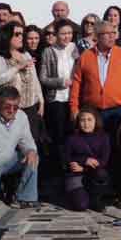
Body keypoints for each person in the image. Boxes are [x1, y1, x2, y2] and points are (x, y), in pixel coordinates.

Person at [69, 21, 121, 139]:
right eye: (107, 33)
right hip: (92, 111)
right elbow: (76, 84)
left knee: (117, 148)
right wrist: (74, 108)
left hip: (118, 111)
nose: (112, 36)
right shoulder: (86, 56)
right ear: (97, 36)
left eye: (113, 33)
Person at [0, 87, 39, 210]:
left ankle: (23, 198)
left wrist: (30, 150)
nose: (11, 110)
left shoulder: (21, 117)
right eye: (7, 106)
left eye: (15, 107)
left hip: (8, 161)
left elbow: (27, 141)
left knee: (33, 157)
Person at [0, 22, 44, 143]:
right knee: (9, 144)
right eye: (17, 34)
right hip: (8, 109)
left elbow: (34, 79)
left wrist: (41, 100)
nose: (21, 38)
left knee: (30, 143)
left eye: (22, 34)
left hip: (30, 107)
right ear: (7, 36)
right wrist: (18, 67)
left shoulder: (25, 54)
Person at [39, 18, 79, 171]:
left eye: (69, 33)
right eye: (63, 34)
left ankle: (73, 166)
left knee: (73, 132)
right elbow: (43, 78)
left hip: (73, 97)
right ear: (56, 35)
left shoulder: (75, 48)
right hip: (56, 99)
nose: (66, 37)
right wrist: (61, 82)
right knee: (59, 135)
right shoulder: (48, 51)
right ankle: (60, 168)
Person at [63, 108, 112, 212]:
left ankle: (96, 199)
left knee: (101, 174)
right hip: (76, 175)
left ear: (96, 121)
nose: (86, 123)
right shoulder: (71, 138)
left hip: (93, 173)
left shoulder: (104, 137)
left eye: (89, 120)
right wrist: (84, 160)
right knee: (81, 205)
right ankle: (76, 195)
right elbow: (65, 159)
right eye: (82, 120)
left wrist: (84, 168)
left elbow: (104, 160)